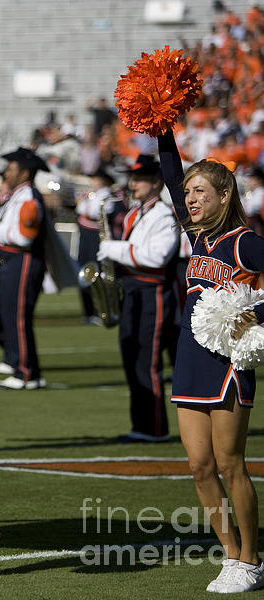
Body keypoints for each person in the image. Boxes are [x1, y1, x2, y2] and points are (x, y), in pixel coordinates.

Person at [158, 130, 264, 593]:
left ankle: (252, 559)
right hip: (189, 358)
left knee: (230, 462)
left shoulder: (245, 242)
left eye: (200, 190)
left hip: (227, 362)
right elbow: (167, 171)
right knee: (199, 465)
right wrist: (161, 123)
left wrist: (253, 314)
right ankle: (229, 554)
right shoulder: (196, 236)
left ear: (225, 195)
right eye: (188, 191)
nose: (191, 198)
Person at [96, 154, 179, 443]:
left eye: (140, 179)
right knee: (131, 357)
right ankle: (140, 425)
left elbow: (156, 257)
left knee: (148, 358)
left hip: (153, 292)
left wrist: (114, 250)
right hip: (132, 289)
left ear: (156, 183)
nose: (133, 184)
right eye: (132, 178)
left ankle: (155, 427)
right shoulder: (136, 213)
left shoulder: (165, 216)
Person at [0, 147, 49, 390]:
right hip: (10, 260)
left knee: (18, 317)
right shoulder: (18, 195)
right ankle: (14, 358)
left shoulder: (29, 197)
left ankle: (27, 372)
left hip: (23, 260)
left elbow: (23, 237)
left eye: (11, 169)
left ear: (25, 172)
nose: (6, 174)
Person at [75, 166, 117, 324]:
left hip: (96, 238)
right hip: (86, 237)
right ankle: (88, 311)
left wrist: (83, 205)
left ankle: (100, 311)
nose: (92, 181)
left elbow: (93, 213)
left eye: (95, 178)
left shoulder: (107, 196)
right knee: (84, 270)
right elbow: (82, 209)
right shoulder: (94, 196)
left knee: (97, 272)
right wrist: (83, 206)